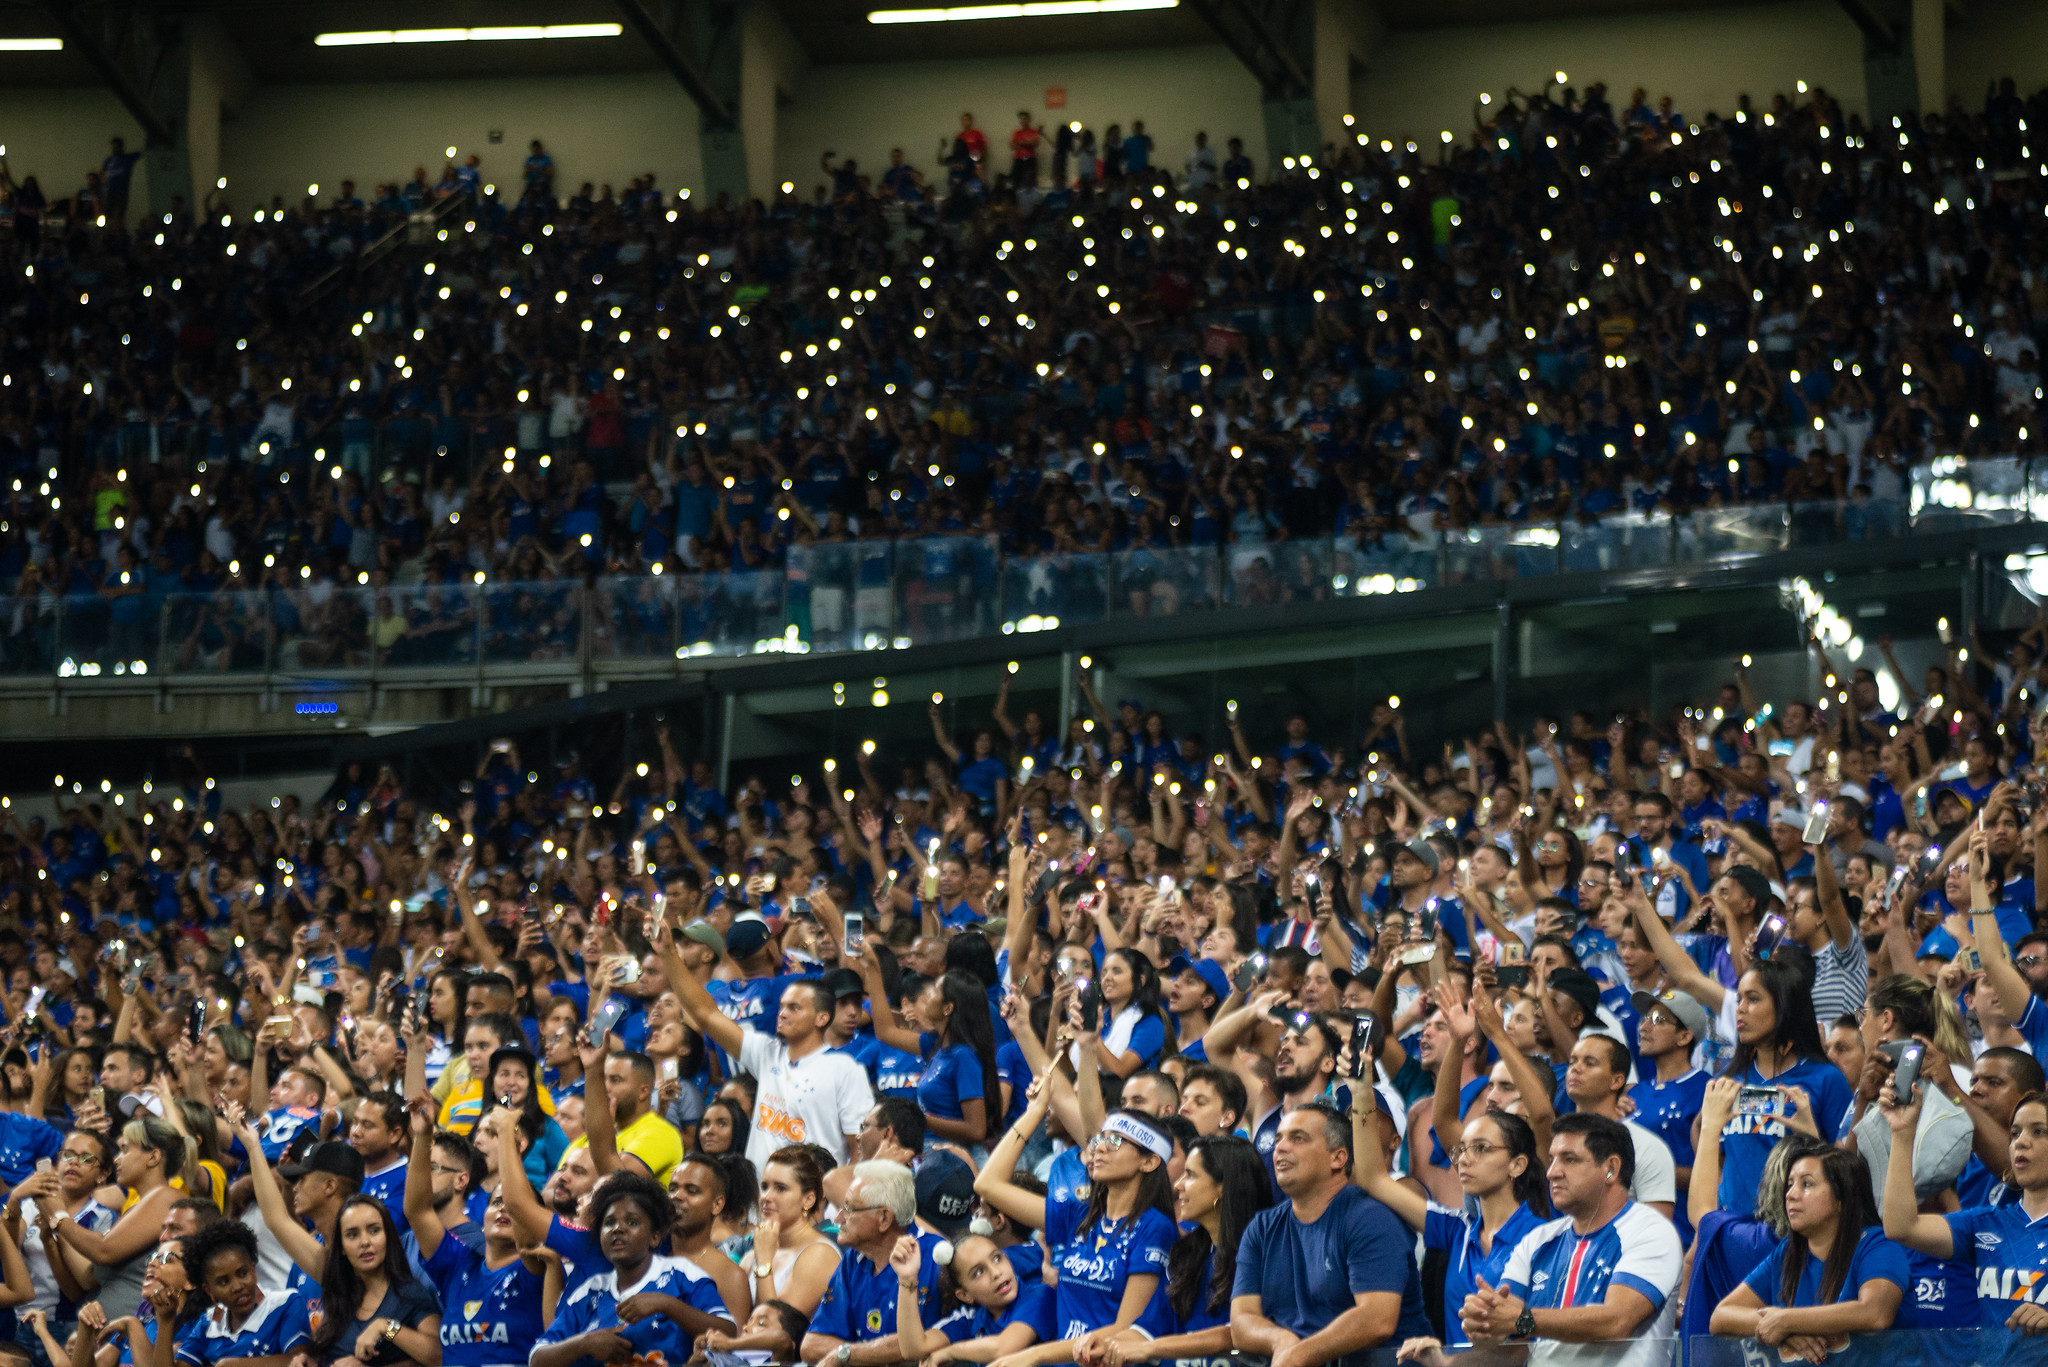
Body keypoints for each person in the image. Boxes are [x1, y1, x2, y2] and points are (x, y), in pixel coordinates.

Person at [1457, 1114, 1683, 1367]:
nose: (1552, 1173)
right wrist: (1483, 1322)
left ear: (1611, 1169)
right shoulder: (1538, 1241)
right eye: (1552, 1159)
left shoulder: (1651, 1232)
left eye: (1569, 1159)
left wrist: (1523, 1320)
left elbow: (1617, 1321)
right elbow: (1506, 1329)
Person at [663, 909, 873, 1169]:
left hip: (812, 1201)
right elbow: (704, 1015)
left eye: (794, 1008)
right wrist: (667, 953)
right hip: (761, 1197)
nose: (782, 1013)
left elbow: (862, 1150)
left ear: (822, 1017)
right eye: (782, 1007)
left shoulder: (844, 1069)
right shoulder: (766, 1053)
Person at [1230, 1104, 1430, 1367]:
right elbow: (1241, 1322)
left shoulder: (1370, 1217)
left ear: (1338, 1158)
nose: (1281, 1147)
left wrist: (1299, 1355)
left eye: (1298, 1138)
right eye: (1278, 1139)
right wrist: (1280, 1340)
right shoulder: (1262, 1227)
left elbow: (1377, 1320)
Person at [1352, 1093, 1549, 1351]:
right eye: (1462, 1149)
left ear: (1517, 1164)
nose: (1465, 1160)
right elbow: (1373, 1179)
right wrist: (1361, 1093)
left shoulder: (1543, 1238)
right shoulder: (1457, 1229)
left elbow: (1539, 1340)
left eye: (1481, 1148)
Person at [1880, 1077, 2048, 1337]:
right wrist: (1902, 1133)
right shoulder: (1983, 1223)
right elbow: (1900, 1226)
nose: (2021, 1142)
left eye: (2039, 1131)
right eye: (2015, 1133)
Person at [404, 1091, 559, 1367]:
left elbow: (518, 1204)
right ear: (482, 1215)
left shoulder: (534, 1270)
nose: (503, 1209)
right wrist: (422, 1137)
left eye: (509, 1204)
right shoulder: (457, 1266)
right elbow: (418, 1210)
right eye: (495, 1203)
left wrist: (507, 1140)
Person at [529, 1171, 734, 1367]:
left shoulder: (682, 1275)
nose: (618, 1229)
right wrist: (584, 1344)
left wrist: (666, 1304)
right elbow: (537, 1358)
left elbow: (728, 1332)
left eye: (632, 1222)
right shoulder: (589, 1292)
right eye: (609, 1223)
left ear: (655, 1236)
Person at [1709, 1147, 1907, 1348]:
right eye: (1790, 1184)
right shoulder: (1787, 1252)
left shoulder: (1878, 1245)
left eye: (1807, 1184)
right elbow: (1721, 1316)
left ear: (1842, 1199)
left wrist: (1787, 1321)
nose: (1790, 1195)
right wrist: (1785, 1330)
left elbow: (1876, 1314)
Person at [1098, 1134, 1271, 1363]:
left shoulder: (1265, 1254)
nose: (1178, 1186)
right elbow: (1150, 1326)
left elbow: (1236, 1332)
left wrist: (1152, 1348)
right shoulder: (1186, 1256)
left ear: (1222, 1187)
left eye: (1190, 1175)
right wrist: (1110, 1344)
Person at [799, 1160, 944, 1366]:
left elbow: (919, 1343)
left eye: (849, 1208)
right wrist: (851, 1353)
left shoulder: (935, 1258)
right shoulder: (854, 1259)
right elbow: (812, 1346)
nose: (839, 1218)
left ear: (884, 1218)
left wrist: (844, 1355)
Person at [48, 1115, 183, 1319]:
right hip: (109, 1339)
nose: (117, 1159)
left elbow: (104, 1250)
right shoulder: (135, 1209)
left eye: (126, 1150)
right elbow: (87, 1279)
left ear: (153, 1157)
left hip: (136, 1338)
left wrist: (59, 1216)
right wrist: (51, 1229)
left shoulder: (166, 1197)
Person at [306, 1195, 443, 1367]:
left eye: (374, 1230)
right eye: (352, 1235)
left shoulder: (409, 1292)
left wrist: (386, 1327)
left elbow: (438, 1356)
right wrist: (310, 1362)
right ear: (341, 1247)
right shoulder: (338, 1294)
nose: (365, 1242)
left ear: (388, 1236)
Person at [160, 1222, 312, 1367]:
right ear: (209, 1290)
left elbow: (301, 1361)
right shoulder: (208, 1322)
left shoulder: (285, 1303)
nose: (238, 1287)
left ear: (253, 1270)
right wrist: (165, 1321)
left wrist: (235, 1365)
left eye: (243, 1273)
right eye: (223, 1282)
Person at [892, 1230, 1055, 1364]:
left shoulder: (1040, 1296)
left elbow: (1004, 1347)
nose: (996, 1273)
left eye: (997, 1258)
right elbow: (913, 1348)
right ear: (965, 1295)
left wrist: (950, 1351)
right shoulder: (971, 1319)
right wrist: (907, 1278)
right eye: (978, 1272)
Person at [738, 1146, 840, 1316]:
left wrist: (763, 1262)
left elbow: (774, 1330)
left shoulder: (821, 1254)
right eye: (764, 1187)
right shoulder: (752, 1255)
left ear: (808, 1199)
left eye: (780, 1188)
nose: (766, 1197)